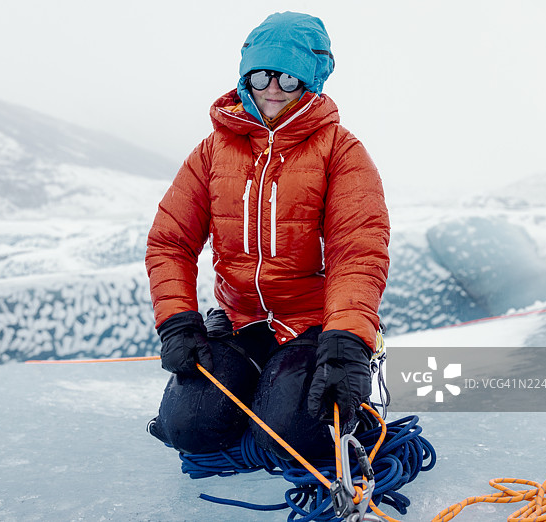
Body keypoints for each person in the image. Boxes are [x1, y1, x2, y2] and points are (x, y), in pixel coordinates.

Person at [145, 11, 389, 461]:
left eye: (289, 78)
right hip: (241, 322)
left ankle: (299, 401)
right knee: (188, 427)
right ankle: (265, 390)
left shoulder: (342, 151)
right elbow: (169, 241)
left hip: (314, 326)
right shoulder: (212, 151)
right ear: (245, 78)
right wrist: (176, 319)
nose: (273, 88)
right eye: (261, 75)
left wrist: (347, 341)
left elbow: (357, 253)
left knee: (296, 434)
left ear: (311, 81)